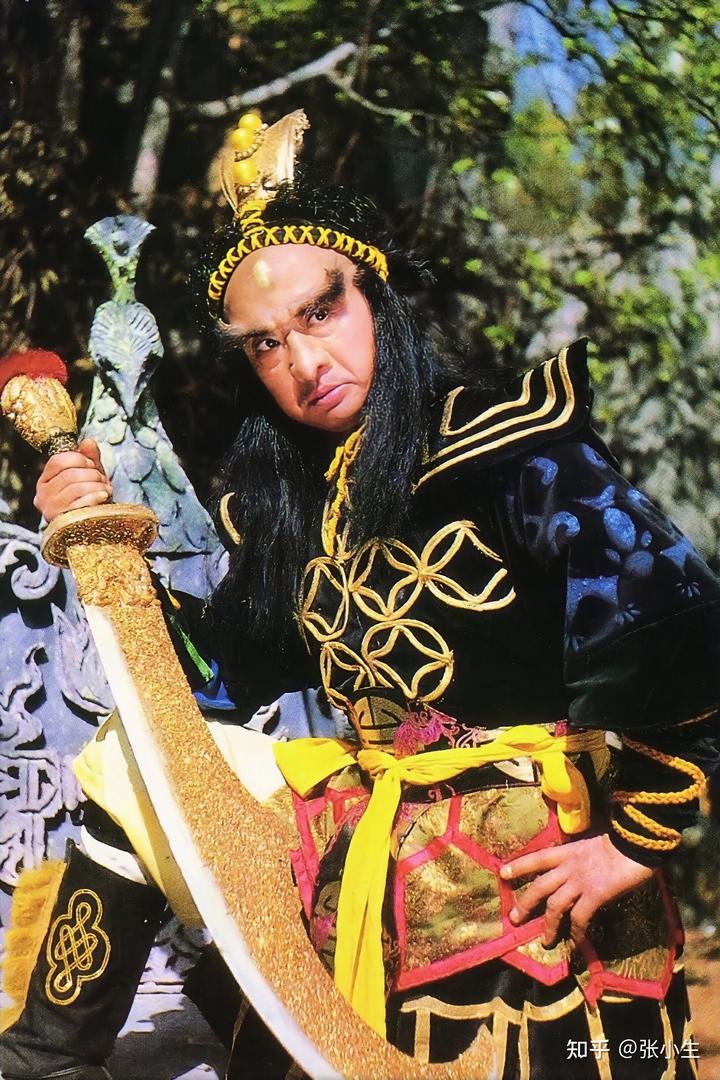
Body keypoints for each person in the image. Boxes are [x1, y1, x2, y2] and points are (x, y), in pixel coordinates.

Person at [1, 112, 719, 1080]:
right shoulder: (293, 508)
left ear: (375, 295)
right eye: (265, 344)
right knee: (136, 757)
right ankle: (46, 1060)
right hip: (370, 842)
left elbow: (678, 619)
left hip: (529, 869)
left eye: (320, 313)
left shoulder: (510, 448)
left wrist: (634, 839)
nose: (303, 363)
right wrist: (102, 548)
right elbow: (210, 683)